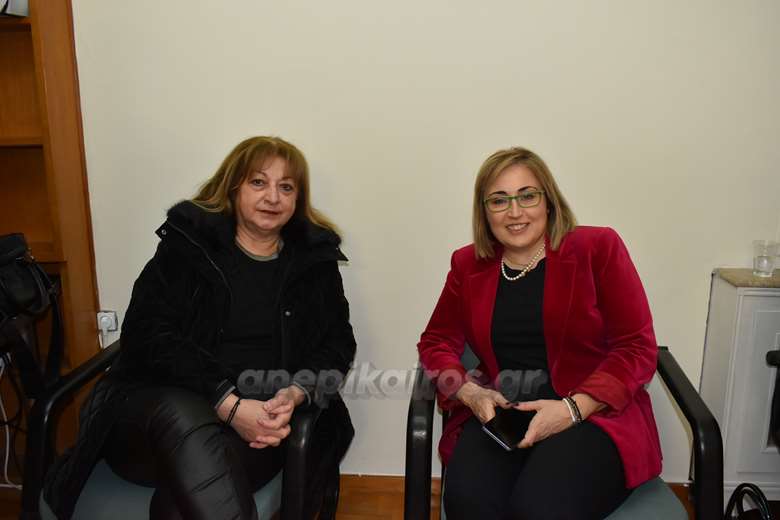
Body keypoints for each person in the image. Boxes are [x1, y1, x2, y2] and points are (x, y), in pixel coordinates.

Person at [44, 136, 356, 520]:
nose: (273, 197)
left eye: (286, 187)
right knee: (182, 413)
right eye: (258, 182)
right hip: (152, 423)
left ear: (298, 199)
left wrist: (294, 393)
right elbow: (146, 332)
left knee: (180, 507)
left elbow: (338, 344)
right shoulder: (189, 246)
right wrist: (227, 403)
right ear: (233, 187)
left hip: (257, 424)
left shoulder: (314, 263)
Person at [417, 147, 661, 519]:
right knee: (468, 503)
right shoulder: (468, 264)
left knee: (538, 508)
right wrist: (469, 392)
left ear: (549, 201)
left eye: (527, 196)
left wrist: (572, 409)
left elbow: (636, 347)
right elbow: (436, 342)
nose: (515, 212)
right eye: (499, 200)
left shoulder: (597, 248)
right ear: (484, 211)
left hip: (591, 413)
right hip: (505, 412)